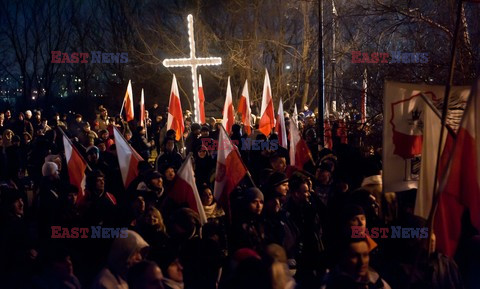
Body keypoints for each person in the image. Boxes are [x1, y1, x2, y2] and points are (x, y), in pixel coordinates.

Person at [321, 238, 391, 289]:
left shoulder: (376, 281)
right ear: (344, 257)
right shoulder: (330, 284)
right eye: (355, 256)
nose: (362, 261)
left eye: (365, 255)